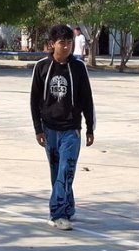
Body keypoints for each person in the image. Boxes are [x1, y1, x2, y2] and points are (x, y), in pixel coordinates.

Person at [29, 23, 96, 230]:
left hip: (71, 130)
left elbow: (87, 98)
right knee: (57, 172)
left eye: (69, 42)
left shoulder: (78, 67)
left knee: (66, 170)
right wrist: (38, 129)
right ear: (52, 44)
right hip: (49, 129)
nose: (66, 47)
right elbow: (34, 100)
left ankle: (57, 213)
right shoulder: (41, 67)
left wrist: (90, 127)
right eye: (62, 43)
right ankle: (68, 206)